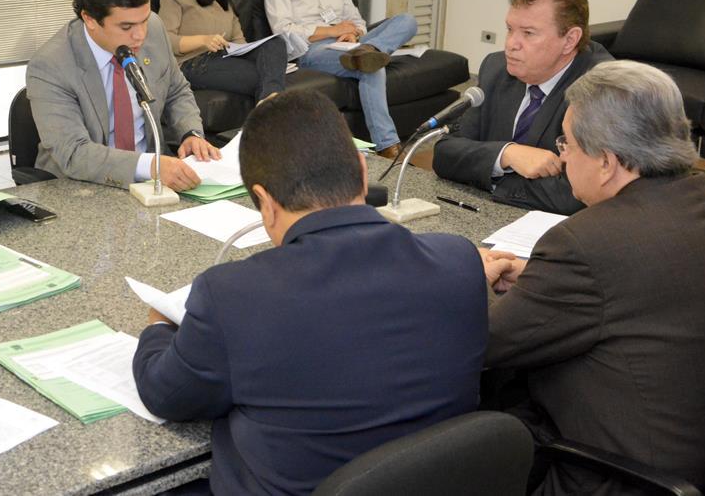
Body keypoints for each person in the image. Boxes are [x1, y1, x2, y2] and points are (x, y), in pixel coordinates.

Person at [132, 90, 487, 495]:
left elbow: (165, 395)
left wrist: (158, 325)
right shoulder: (460, 262)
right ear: (362, 171)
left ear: (264, 202)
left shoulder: (232, 295)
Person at [482, 61, 705, 495]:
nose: (562, 155)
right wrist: (542, 280)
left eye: (567, 143)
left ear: (607, 162)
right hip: (695, 459)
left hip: (613, 477)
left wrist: (474, 280)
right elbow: (641, 286)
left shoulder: (583, 242)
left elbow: (485, 343)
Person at [27, 0, 219, 191]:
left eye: (144, 20)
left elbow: (176, 90)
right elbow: (74, 153)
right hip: (81, 187)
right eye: (126, 27)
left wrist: (190, 133)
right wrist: (150, 166)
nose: (140, 35)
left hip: (155, 180)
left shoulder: (154, 28)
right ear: (90, 19)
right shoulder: (50, 65)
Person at [433, 0, 613, 215]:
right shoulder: (496, 68)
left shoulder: (601, 88)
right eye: (510, 29)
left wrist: (491, 175)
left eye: (528, 33)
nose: (511, 44)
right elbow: (446, 153)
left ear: (570, 40)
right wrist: (506, 154)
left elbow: (577, 194)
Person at [264, 0, 418, 158]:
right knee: (371, 68)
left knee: (407, 21)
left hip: (351, 44)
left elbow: (358, 21)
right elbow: (284, 32)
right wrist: (332, 31)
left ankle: (370, 49)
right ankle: (388, 145)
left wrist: (353, 34)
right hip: (312, 50)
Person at [159, 0, 287, 104]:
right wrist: (203, 40)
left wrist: (254, 55)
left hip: (226, 57)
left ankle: (267, 102)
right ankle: (271, 105)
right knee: (264, 75)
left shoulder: (225, 3)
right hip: (192, 63)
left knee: (276, 43)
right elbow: (164, 40)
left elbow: (239, 42)